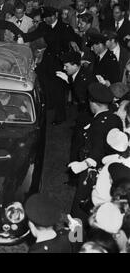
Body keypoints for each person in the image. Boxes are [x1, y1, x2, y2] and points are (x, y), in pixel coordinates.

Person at [68, 83, 123, 223]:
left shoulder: (98, 124)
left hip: (90, 173)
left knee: (78, 213)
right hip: (107, 172)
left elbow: (97, 149)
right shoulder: (115, 119)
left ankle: (75, 241)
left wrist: (82, 164)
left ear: (93, 103)